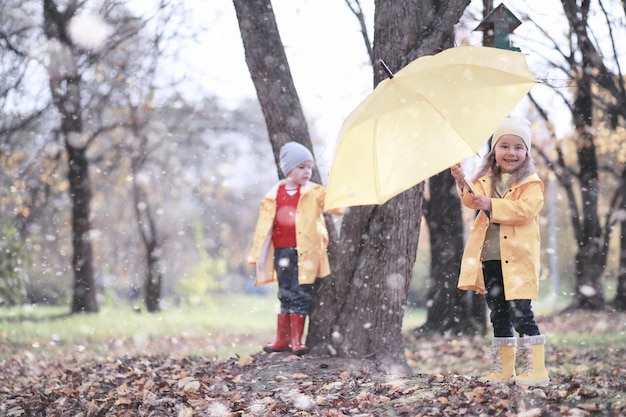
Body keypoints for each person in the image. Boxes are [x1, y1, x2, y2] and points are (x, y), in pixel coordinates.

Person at [450, 117, 549, 386]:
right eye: (504, 146)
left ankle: (536, 369)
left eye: (518, 147)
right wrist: (461, 181)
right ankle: (504, 370)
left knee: (521, 313)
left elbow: (524, 211)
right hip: (490, 258)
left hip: (517, 261)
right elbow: (473, 199)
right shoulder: (486, 179)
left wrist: (492, 204)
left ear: (526, 153)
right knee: (498, 314)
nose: (511, 153)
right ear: (495, 150)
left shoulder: (531, 183)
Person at [249, 141, 333, 356]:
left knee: (301, 292)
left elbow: (335, 206)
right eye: (301, 167)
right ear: (289, 170)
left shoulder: (315, 191)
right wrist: (257, 252)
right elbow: (264, 225)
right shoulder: (275, 193)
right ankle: (282, 338)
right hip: (282, 251)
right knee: (284, 292)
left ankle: (297, 340)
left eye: (309, 167)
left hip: (306, 251)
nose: (307, 172)